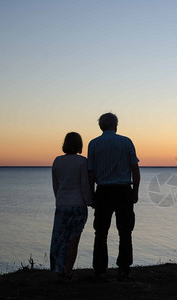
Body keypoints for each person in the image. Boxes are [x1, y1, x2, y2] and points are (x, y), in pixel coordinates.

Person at [87, 112, 140, 282]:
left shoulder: (94, 144)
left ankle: (100, 270)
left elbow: (91, 173)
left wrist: (91, 194)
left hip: (103, 191)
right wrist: (135, 191)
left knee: (100, 233)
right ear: (116, 125)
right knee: (125, 232)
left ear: (101, 126)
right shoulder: (126, 142)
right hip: (123, 190)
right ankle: (124, 269)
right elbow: (135, 169)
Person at [50, 132, 92, 281]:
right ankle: (67, 271)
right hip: (77, 205)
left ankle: (58, 269)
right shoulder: (82, 162)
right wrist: (89, 201)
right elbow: (84, 184)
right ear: (79, 145)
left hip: (62, 205)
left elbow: (56, 185)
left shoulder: (57, 161)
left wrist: (59, 199)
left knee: (60, 239)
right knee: (73, 240)